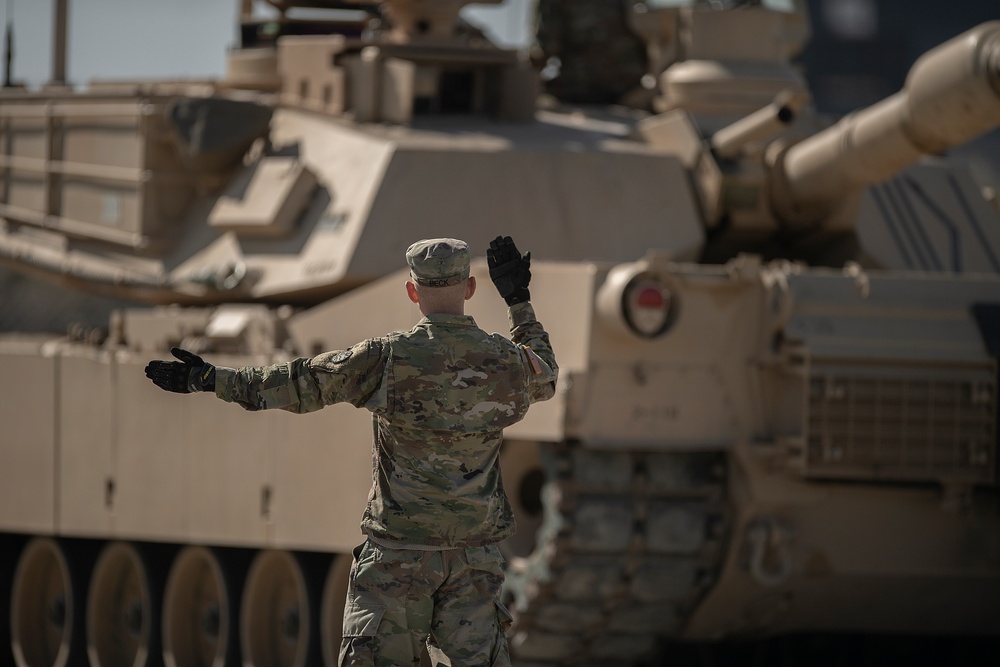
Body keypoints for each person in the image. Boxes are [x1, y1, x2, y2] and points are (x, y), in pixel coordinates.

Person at [144, 236, 558, 666]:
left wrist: (210, 378)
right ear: (470, 288)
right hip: (474, 560)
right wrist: (518, 300)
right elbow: (545, 374)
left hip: (399, 560)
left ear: (412, 291)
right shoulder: (505, 362)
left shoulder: (386, 358)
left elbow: (301, 382)